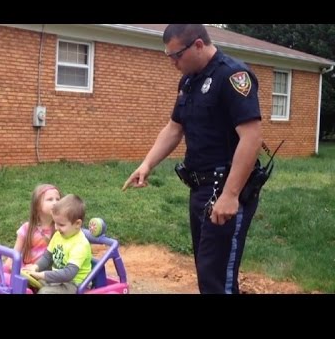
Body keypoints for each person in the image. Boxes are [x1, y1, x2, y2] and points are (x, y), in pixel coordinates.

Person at [122, 24, 262, 294]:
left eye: (176, 55)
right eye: (169, 57)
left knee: (218, 279)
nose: (173, 62)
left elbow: (252, 137)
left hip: (226, 187)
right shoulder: (189, 81)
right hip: (199, 188)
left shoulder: (233, 75)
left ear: (198, 45)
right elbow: (174, 128)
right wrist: (147, 164)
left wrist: (230, 195)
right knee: (207, 272)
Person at [24, 194, 92, 294]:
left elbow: (69, 274)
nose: (56, 227)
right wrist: (36, 267)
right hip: (58, 279)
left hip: (74, 283)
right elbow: (47, 258)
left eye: (61, 224)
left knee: (45, 292)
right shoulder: (58, 236)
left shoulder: (80, 244)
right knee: (26, 280)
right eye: (55, 222)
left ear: (77, 224)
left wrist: (42, 275)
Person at [3, 184, 62, 272]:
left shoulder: (61, 229)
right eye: (50, 199)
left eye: (58, 199)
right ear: (37, 205)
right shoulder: (26, 228)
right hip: (25, 269)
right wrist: (10, 267)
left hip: (46, 274)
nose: (55, 202)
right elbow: (14, 254)